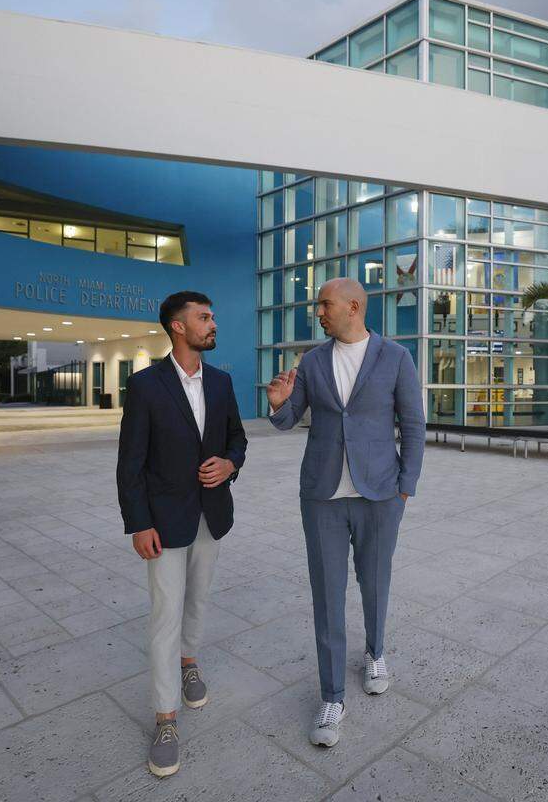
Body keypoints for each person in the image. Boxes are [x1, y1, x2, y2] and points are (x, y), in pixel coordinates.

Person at [267, 277, 425, 748]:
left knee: (375, 582)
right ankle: (332, 695)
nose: (318, 311)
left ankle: (375, 653)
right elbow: (287, 417)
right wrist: (277, 405)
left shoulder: (395, 357)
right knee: (327, 594)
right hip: (322, 497)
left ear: (354, 306)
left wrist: (405, 488)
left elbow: (413, 424)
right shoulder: (312, 360)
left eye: (325, 304)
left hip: (379, 494)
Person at [117, 290, 247, 778]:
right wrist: (139, 522)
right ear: (177, 326)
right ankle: (166, 718)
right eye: (204, 317)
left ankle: (189, 662)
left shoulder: (222, 382)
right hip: (163, 521)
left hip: (211, 514)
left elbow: (238, 437)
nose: (213, 324)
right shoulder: (146, 385)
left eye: (212, 316)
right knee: (165, 613)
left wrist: (230, 462)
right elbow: (130, 462)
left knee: (198, 601)